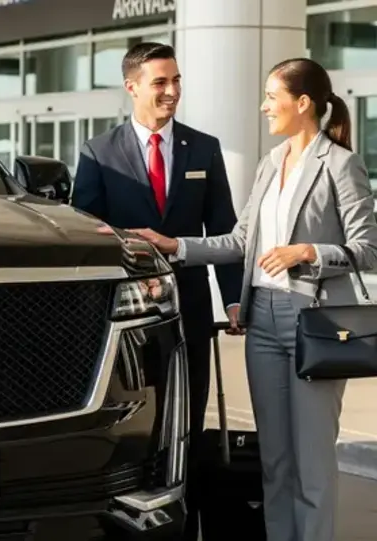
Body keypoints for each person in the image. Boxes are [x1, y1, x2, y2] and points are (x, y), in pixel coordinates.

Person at [108, 57, 377, 541]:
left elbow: (368, 250)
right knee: (274, 461)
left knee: (311, 461)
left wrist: (309, 251)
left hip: (312, 323)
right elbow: (240, 241)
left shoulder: (340, 163)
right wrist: (176, 246)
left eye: (272, 97)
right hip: (264, 322)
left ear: (303, 103)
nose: (263, 107)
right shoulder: (270, 163)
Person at [71, 42, 243, 541]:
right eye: (160, 82)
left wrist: (233, 300)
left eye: (176, 80)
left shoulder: (203, 148)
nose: (172, 92)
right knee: (132, 427)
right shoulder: (98, 153)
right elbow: (89, 233)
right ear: (132, 87)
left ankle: (184, 523)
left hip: (189, 313)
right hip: (125, 322)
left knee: (186, 424)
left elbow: (225, 232)